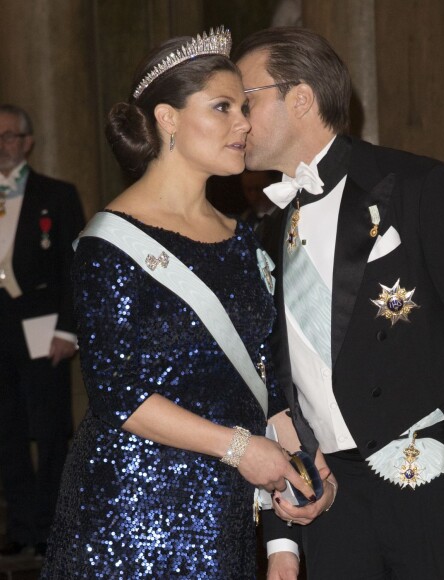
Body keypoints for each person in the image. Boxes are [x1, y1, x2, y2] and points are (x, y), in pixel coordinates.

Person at [233, 27, 444, 580]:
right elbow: (279, 390)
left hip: (437, 488)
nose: (237, 121)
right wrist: (284, 539)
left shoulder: (419, 187)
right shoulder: (265, 236)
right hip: (333, 504)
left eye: (246, 100)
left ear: (301, 97)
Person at [41, 27, 314, 579]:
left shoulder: (241, 238)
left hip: (226, 510)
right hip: (132, 510)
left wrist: (300, 464)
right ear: (167, 118)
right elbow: (120, 395)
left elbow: (263, 375)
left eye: (243, 107)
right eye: (222, 108)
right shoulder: (109, 242)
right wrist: (240, 449)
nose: (244, 123)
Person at [0, 104, 85, 558]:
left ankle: (54, 526)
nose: (2, 145)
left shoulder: (57, 193)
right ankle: (21, 525)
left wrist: (68, 331)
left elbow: (75, 270)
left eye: (10, 136)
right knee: (6, 432)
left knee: (50, 429)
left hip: (42, 327)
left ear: (28, 143)